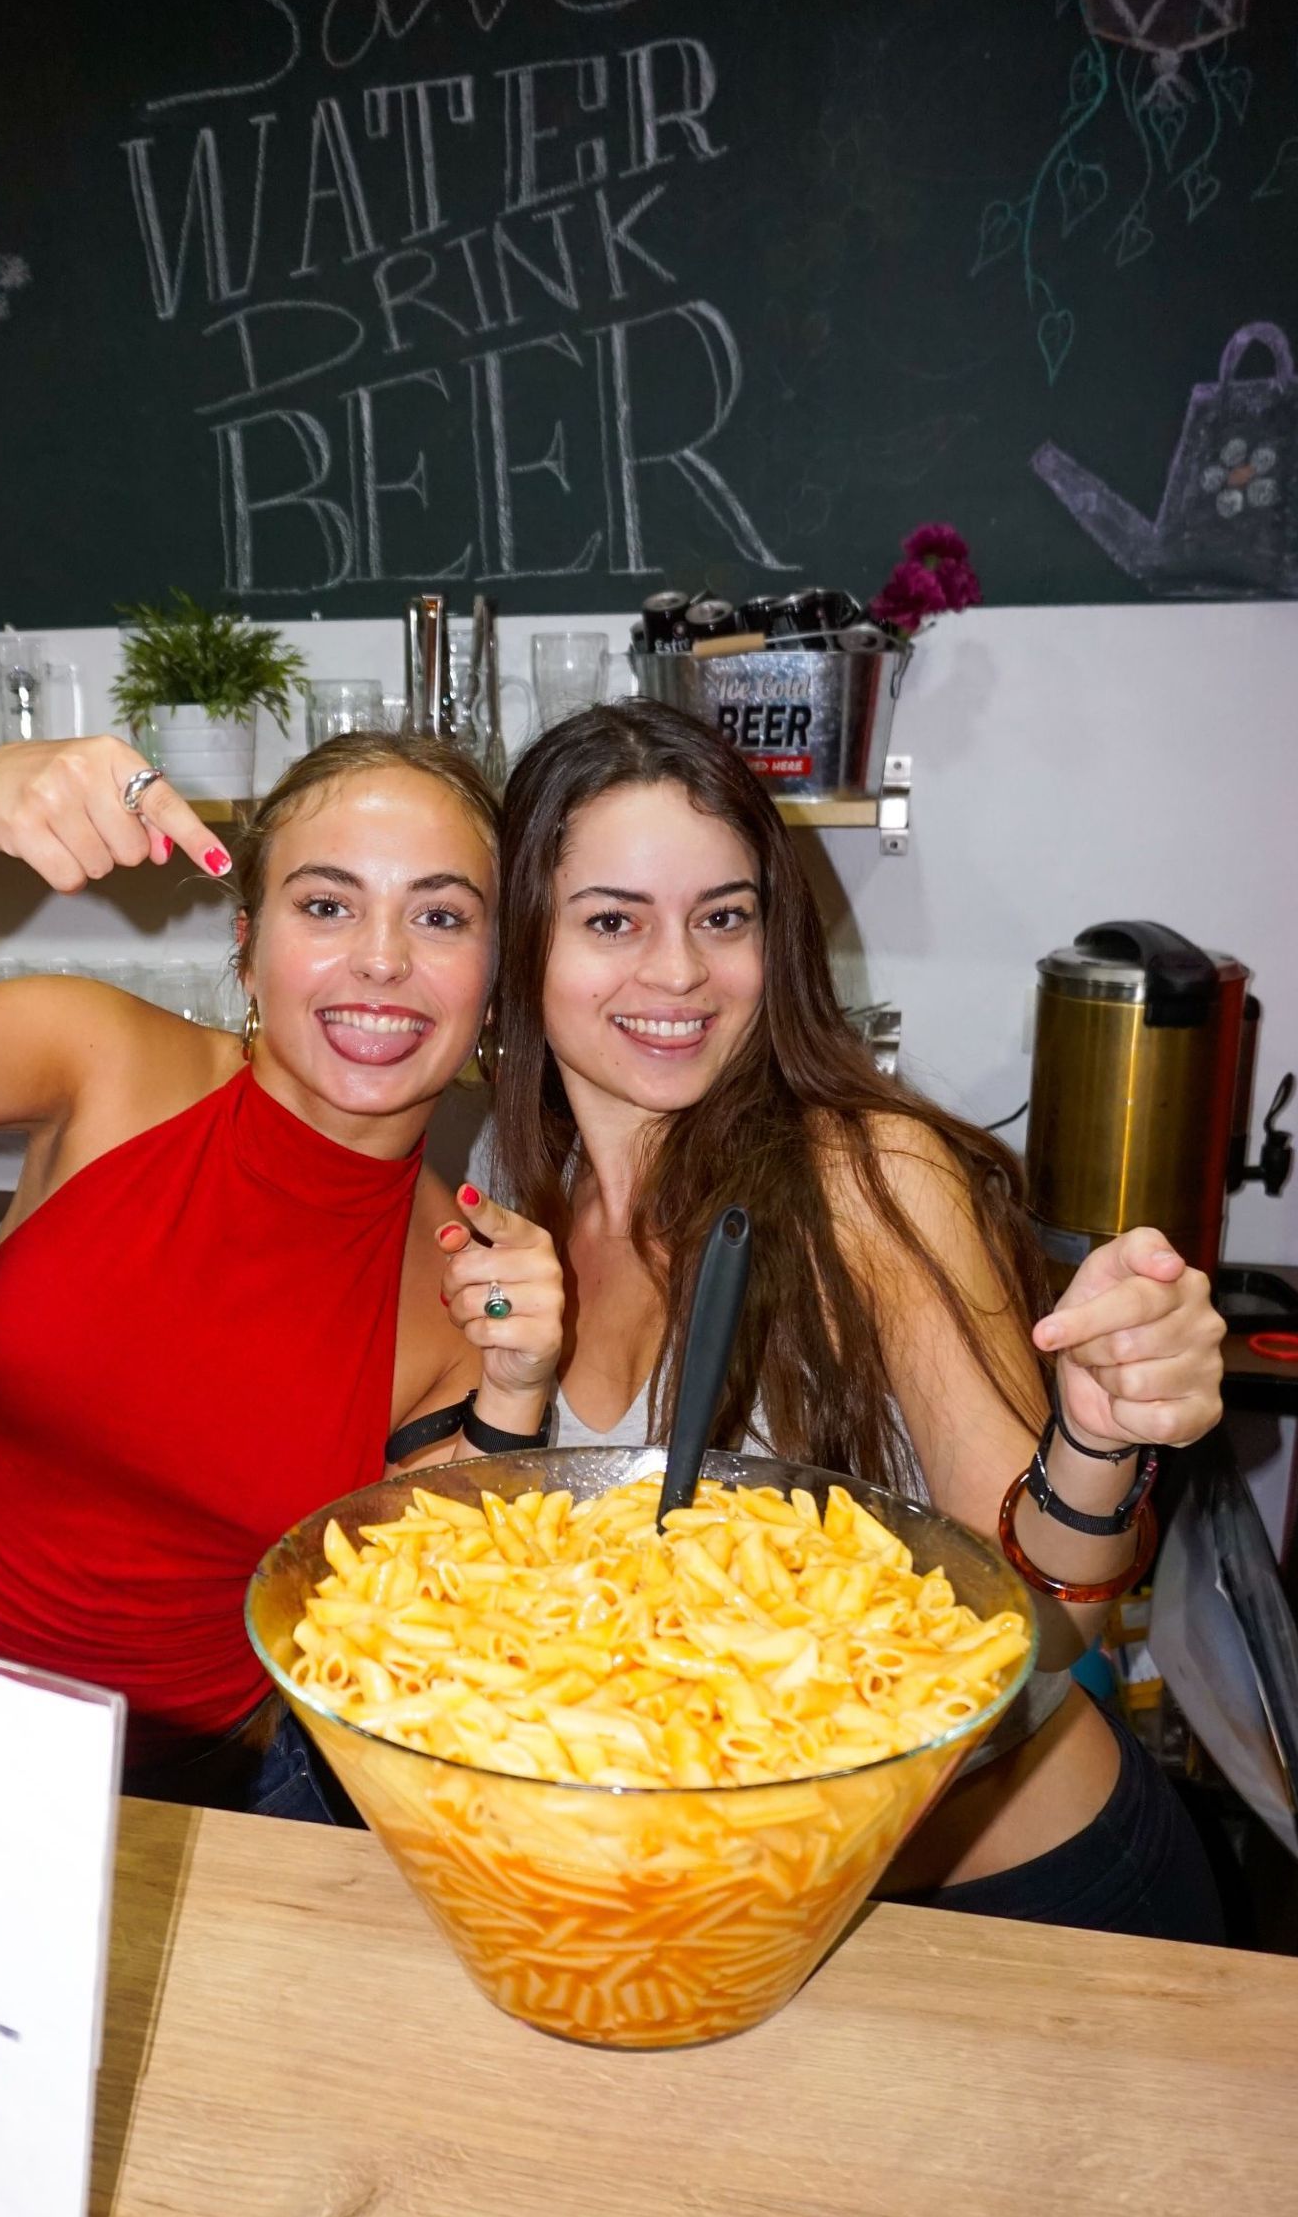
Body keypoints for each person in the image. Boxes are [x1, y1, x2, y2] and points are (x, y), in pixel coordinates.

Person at [0, 729, 563, 1814]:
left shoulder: (462, 1287)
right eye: (326, 906)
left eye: (441, 916)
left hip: (160, 1827)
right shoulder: (104, 1061)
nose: (380, 958)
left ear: (497, 980)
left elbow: (402, 1633)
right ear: (246, 947)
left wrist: (516, 1395)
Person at [486, 700, 1229, 1939]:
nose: (677, 973)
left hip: (1016, 1909)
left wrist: (1097, 1438)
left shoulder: (865, 1175)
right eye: (614, 921)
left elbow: (1055, 1623)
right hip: (745, 1916)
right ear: (526, 950)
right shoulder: (533, 1212)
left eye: (723, 919)